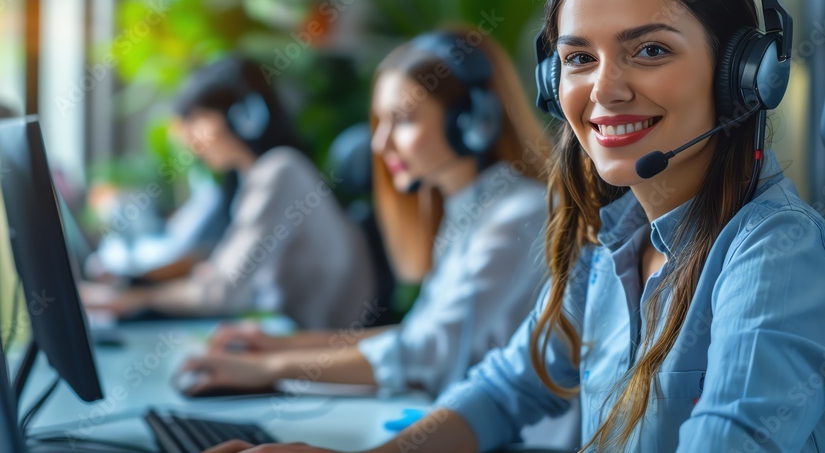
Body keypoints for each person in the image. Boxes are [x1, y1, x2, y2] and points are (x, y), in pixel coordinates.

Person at [202, 0, 825, 453]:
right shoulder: (610, 242)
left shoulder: (777, 262)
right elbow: (505, 388)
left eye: (651, 50)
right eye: (579, 58)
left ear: (744, 76)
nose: (604, 90)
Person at [176, 27, 551, 398]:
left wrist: (267, 370)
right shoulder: (466, 211)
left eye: (402, 120)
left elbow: (429, 352)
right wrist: (278, 347)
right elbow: (416, 334)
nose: (379, 142)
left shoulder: (519, 214)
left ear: (470, 122)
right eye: (378, 121)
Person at [80, 55, 375, 330]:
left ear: (243, 116)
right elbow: (226, 278)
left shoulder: (280, 172)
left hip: (317, 353)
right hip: (293, 339)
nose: (188, 138)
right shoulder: (257, 180)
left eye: (196, 118)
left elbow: (221, 293)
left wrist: (133, 300)